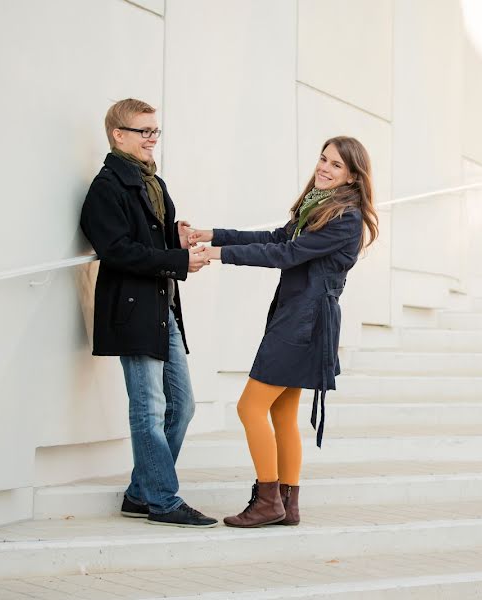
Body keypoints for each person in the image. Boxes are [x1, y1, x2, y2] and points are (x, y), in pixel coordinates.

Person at [189, 136, 379, 528]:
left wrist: (218, 255)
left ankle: (267, 501)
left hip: (304, 322)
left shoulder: (346, 217)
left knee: (249, 407)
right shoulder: (320, 207)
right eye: (323, 159)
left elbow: (285, 255)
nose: (324, 168)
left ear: (353, 176)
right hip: (299, 316)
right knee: (281, 411)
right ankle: (287, 506)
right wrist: (214, 235)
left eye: (336, 165)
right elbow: (278, 238)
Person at [80, 98, 217, 528]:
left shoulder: (152, 182)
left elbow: (150, 243)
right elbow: (116, 250)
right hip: (133, 311)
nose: (152, 138)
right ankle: (161, 498)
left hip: (162, 306)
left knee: (183, 404)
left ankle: (142, 491)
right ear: (119, 135)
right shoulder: (107, 187)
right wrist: (177, 262)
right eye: (144, 131)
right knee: (148, 407)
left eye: (155, 131)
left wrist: (177, 238)